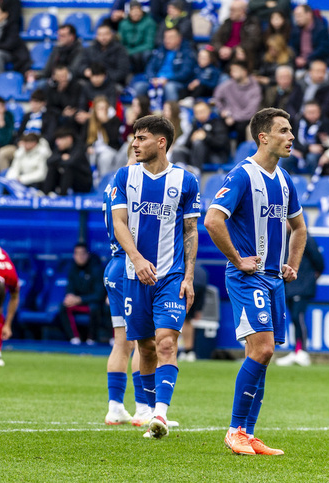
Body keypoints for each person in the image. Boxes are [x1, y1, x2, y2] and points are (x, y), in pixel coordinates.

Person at [204, 107, 306, 455]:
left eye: (291, 130)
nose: (291, 136)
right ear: (263, 137)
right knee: (262, 349)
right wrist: (236, 259)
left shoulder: (284, 179)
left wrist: (291, 265)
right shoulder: (243, 175)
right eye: (283, 131)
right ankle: (234, 430)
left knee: (264, 354)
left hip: (274, 280)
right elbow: (213, 220)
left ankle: (248, 433)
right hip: (249, 278)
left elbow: (299, 228)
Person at [111, 114, 200, 439]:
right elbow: (119, 222)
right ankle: (147, 410)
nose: (135, 143)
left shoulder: (186, 181)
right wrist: (136, 258)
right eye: (134, 138)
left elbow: (191, 230)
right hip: (135, 276)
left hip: (171, 276)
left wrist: (188, 276)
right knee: (144, 347)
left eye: (142, 138)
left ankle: (161, 413)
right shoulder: (124, 176)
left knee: (165, 341)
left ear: (161, 142)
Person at [102, 154, 152, 427]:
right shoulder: (136, 185)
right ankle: (144, 408)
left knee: (122, 341)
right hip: (131, 265)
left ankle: (115, 407)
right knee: (144, 340)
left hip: (113, 264)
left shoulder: (111, 185)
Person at [276, 231, 324, 366]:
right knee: (293, 318)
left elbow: (319, 262)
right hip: (289, 287)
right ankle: (296, 350)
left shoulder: (305, 237)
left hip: (303, 286)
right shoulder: (283, 237)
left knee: (298, 317)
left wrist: (310, 279)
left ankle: (302, 351)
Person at [213, 61, 262, 145]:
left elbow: (250, 111)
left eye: (235, 71)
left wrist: (233, 117)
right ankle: (223, 154)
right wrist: (224, 111)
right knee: (218, 125)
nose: (232, 73)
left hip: (245, 118)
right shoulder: (228, 85)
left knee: (242, 127)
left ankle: (240, 154)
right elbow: (216, 98)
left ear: (244, 72)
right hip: (230, 116)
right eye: (231, 71)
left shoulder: (255, 88)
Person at [210, 0, 261, 71]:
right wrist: (220, 48)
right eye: (230, 10)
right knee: (205, 52)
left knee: (240, 54)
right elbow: (216, 38)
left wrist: (232, 50)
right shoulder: (227, 22)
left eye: (233, 10)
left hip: (238, 54)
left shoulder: (252, 23)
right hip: (222, 53)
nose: (230, 12)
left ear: (242, 11)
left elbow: (252, 42)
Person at [43, 127, 92, 196]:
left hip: (83, 183)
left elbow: (71, 162)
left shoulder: (79, 147)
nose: (57, 142)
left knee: (69, 168)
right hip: (67, 181)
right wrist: (61, 157)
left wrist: (59, 161)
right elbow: (49, 161)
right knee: (52, 167)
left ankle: (62, 196)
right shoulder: (60, 150)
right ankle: (46, 194)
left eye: (60, 139)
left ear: (69, 139)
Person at [290, 5, 329, 70]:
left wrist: (306, 59)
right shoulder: (295, 30)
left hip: (319, 61)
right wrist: (297, 58)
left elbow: (323, 49)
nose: (297, 19)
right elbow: (292, 47)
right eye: (295, 16)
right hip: (300, 63)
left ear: (309, 15)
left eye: (299, 15)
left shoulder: (321, 28)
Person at [118, 0, 156, 74]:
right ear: (129, 12)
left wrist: (131, 51)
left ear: (141, 11)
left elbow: (149, 44)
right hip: (128, 50)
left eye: (137, 10)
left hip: (143, 50)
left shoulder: (149, 22)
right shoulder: (123, 23)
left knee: (144, 55)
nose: (135, 13)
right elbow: (121, 42)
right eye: (133, 10)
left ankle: (146, 74)